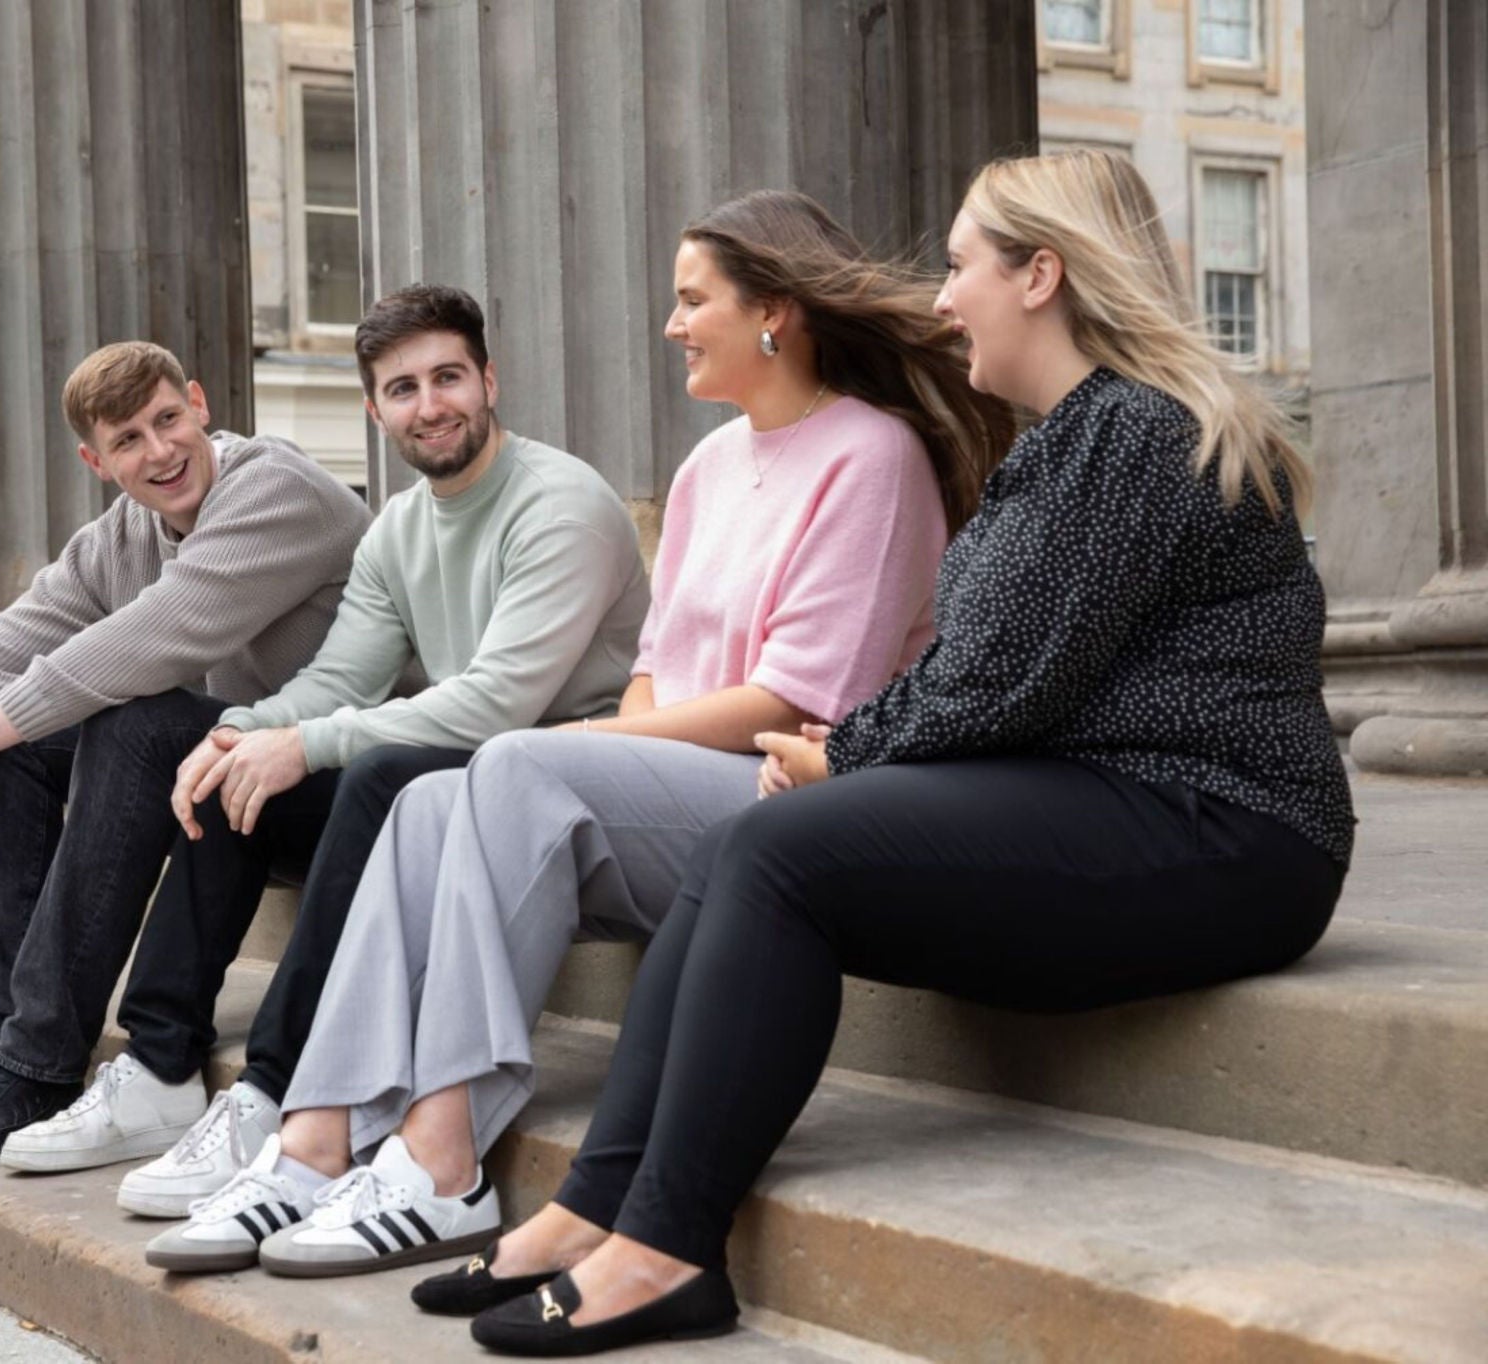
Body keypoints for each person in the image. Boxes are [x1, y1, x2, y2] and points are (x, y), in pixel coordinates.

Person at [456, 149, 1355, 1357]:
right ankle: (593, 1209)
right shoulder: (1080, 433)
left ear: (1040, 274)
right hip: (1119, 794)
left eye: (958, 263)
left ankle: (665, 1249)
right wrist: (853, 748)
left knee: (775, 850)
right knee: (744, 843)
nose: (938, 296)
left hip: (1222, 826)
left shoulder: (1128, 433)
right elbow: (1001, 670)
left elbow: (1000, 679)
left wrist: (843, 754)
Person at [143, 190, 1015, 1277]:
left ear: (773, 313)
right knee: (418, 798)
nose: (671, 323)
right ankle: (315, 1136)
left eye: (692, 299)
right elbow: (656, 664)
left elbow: (792, 700)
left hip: (787, 799)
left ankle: (442, 1151)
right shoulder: (706, 466)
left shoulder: (869, 456)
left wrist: (597, 747)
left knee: (514, 761)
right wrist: (613, 743)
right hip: (671, 789)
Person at [5, 285, 650, 1185]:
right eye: (403, 388)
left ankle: (274, 1090)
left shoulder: (559, 504)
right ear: (374, 408)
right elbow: (340, 677)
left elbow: (499, 701)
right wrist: (239, 732)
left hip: (560, 784)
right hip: (456, 776)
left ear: (490, 381)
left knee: (369, 773)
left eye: (448, 378)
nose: (430, 406)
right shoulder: (400, 528)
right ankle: (158, 1065)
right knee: (242, 773)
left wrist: (302, 745)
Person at [0, 341, 372, 1163]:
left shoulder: (276, 488)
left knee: (132, 719)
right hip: (237, 775)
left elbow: (146, 642)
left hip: (347, 783)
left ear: (198, 403)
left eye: (168, 420)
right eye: (129, 439)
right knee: (15, 748)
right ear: (99, 460)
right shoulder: (121, 537)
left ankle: (39, 1061)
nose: (159, 451)